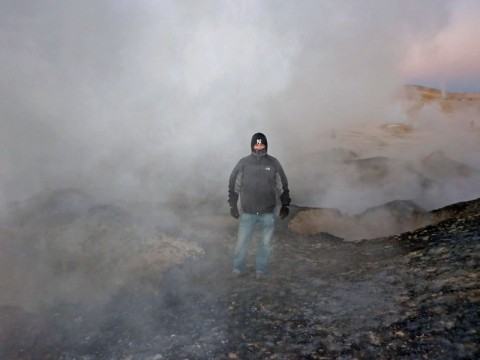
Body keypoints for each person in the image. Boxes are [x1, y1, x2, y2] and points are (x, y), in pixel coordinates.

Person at [228, 132, 291, 278]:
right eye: (256, 144)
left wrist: (285, 205)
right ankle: (237, 269)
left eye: (261, 144)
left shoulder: (273, 163)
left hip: (267, 212)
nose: (259, 147)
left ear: (266, 145)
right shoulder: (244, 163)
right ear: (252, 145)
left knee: (265, 244)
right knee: (242, 242)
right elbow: (233, 183)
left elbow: (282, 184)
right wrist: (233, 204)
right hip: (248, 211)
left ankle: (261, 270)